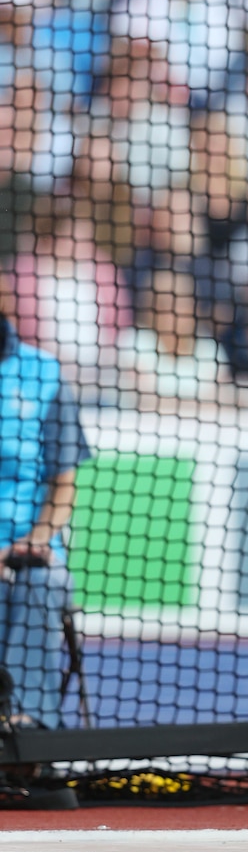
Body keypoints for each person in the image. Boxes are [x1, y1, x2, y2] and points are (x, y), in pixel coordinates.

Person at [0, 309, 90, 732]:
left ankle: (26, 729)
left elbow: (63, 485)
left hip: (28, 548)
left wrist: (34, 541)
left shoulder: (45, 373)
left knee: (43, 580)